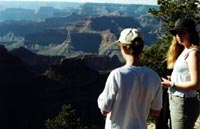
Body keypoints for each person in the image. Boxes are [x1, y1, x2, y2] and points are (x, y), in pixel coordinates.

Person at [97, 28, 163, 129]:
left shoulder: (117, 74)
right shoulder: (154, 77)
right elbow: (156, 111)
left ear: (123, 48)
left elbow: (104, 110)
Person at [161, 18, 200, 129]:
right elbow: (186, 75)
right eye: (176, 33)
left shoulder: (193, 54)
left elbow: (196, 84)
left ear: (191, 33)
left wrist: (171, 84)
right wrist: (173, 78)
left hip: (184, 103)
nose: (178, 35)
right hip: (177, 101)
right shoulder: (185, 50)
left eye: (182, 32)